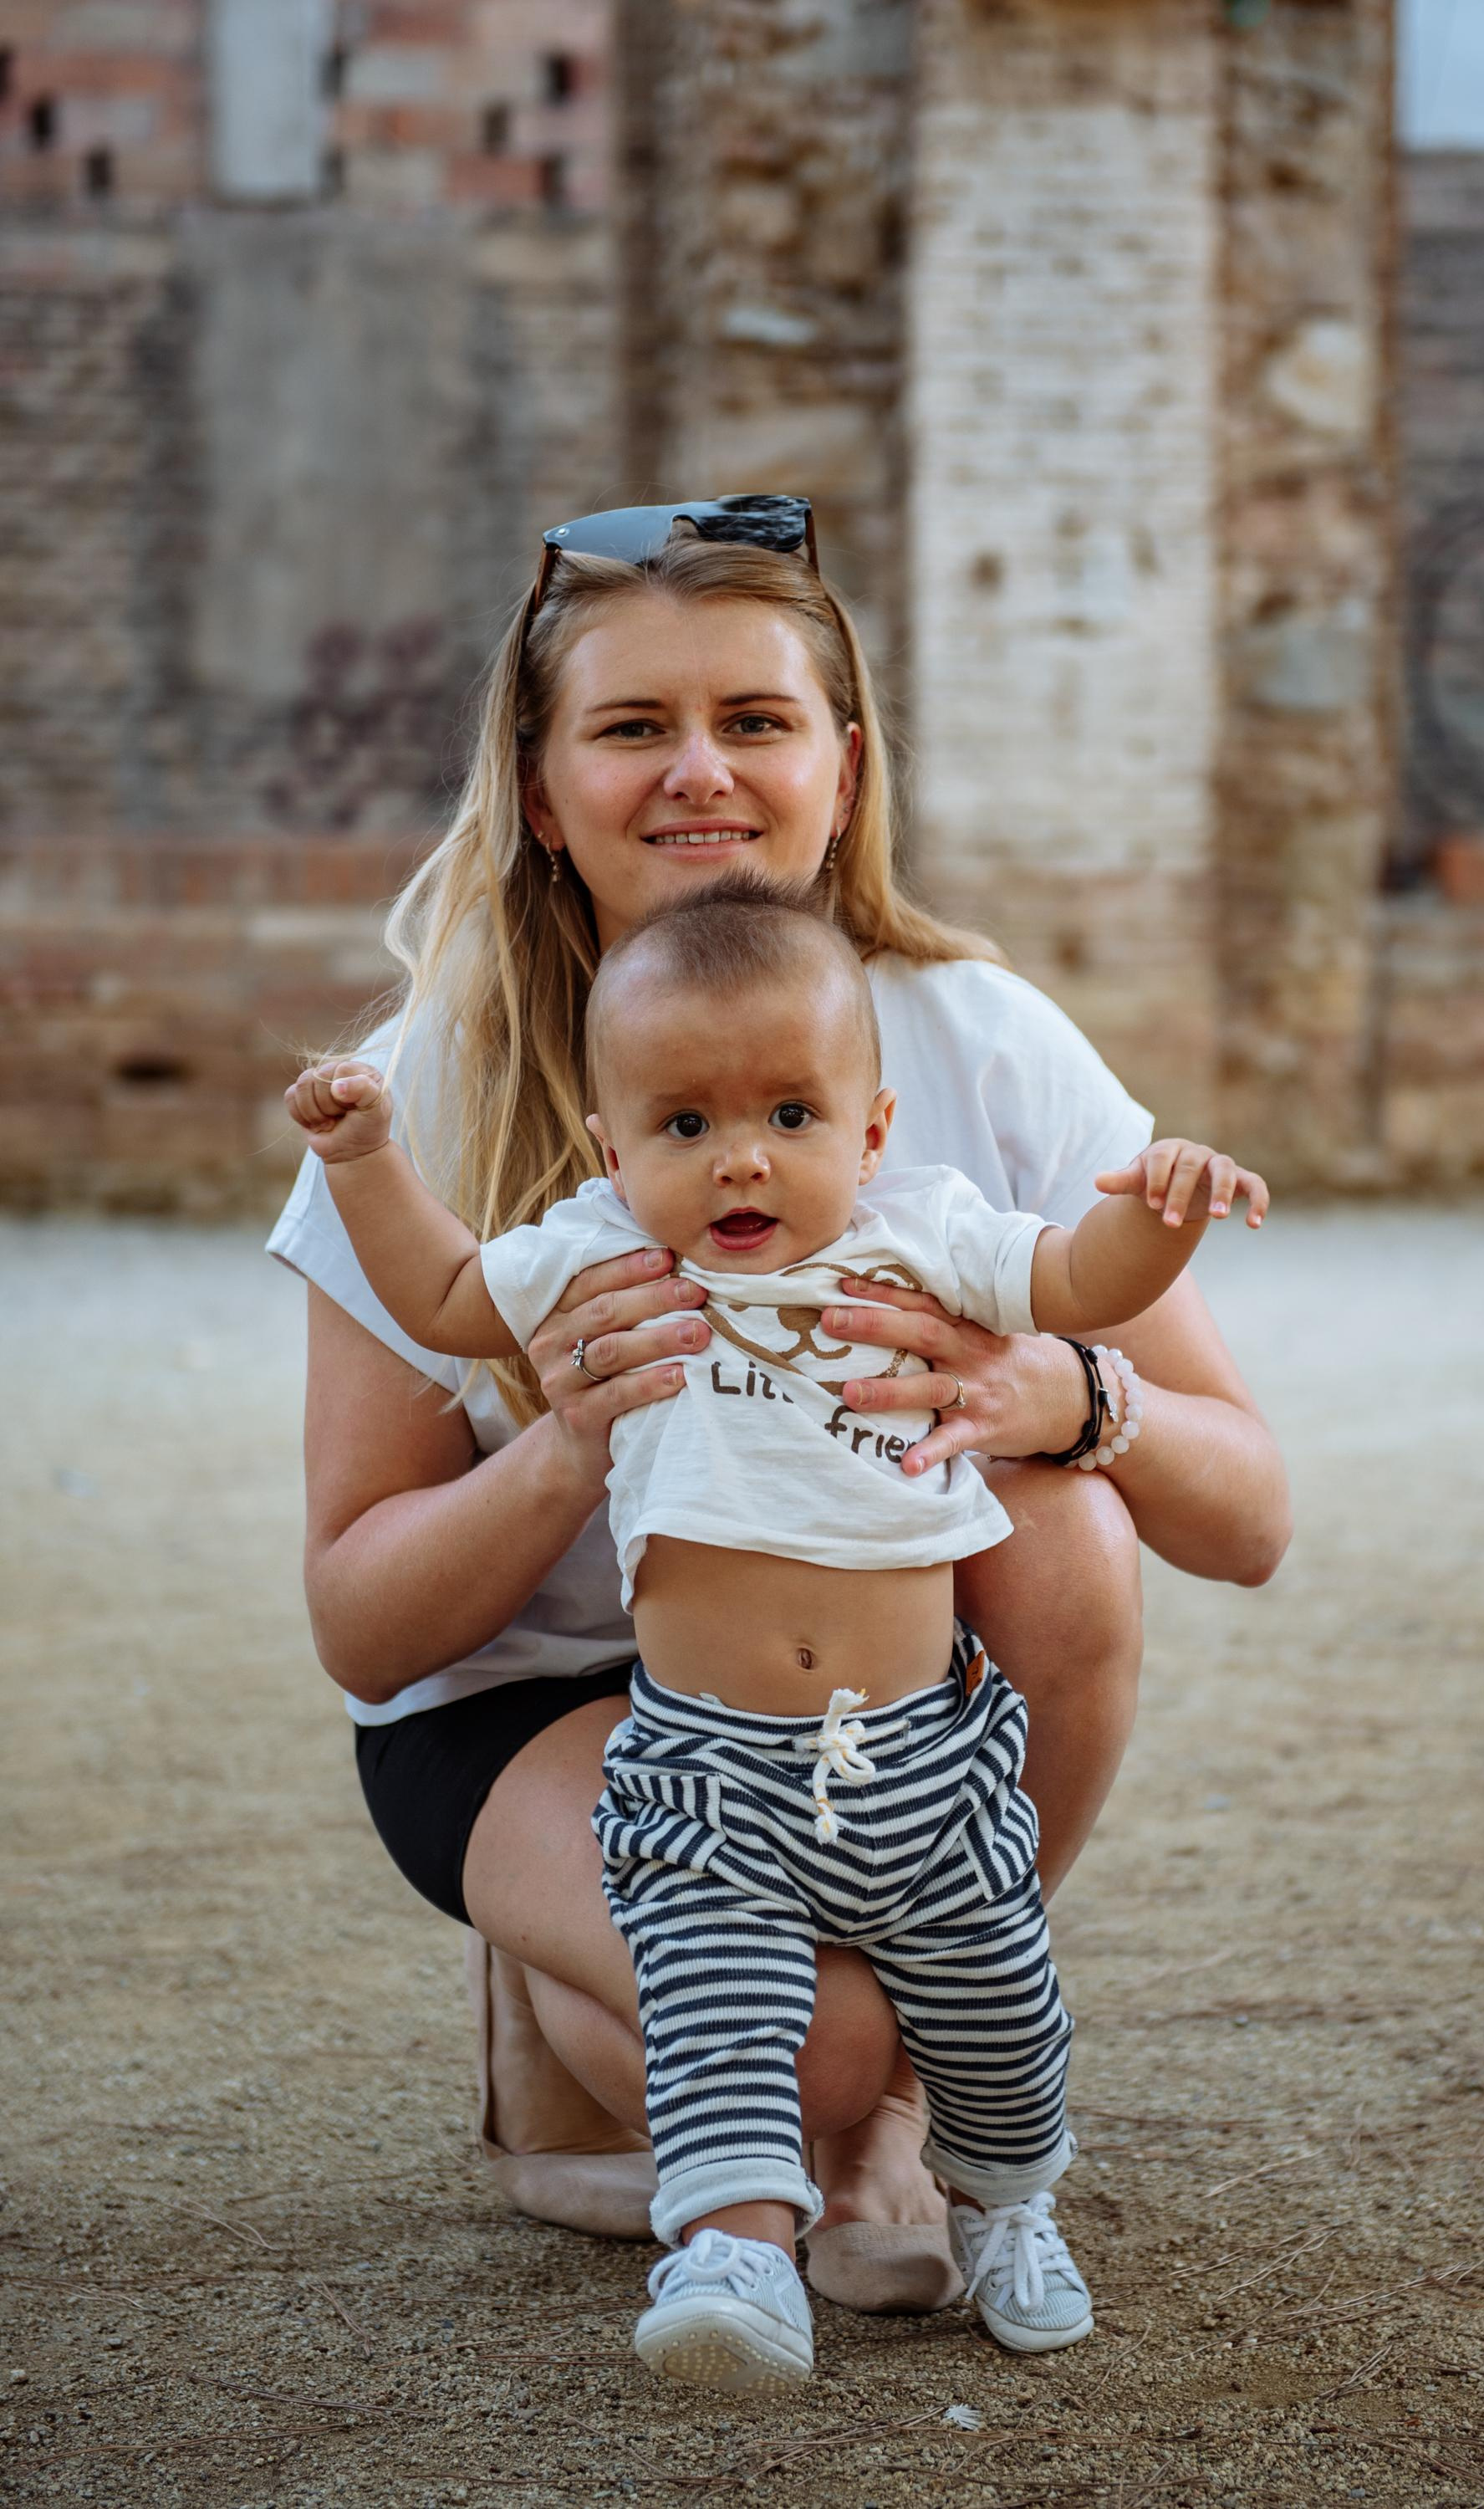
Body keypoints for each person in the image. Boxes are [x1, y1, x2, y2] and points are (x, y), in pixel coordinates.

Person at [267, 498, 1292, 2317]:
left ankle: (905, 2085)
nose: (700, 773)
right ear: (539, 788)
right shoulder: (426, 1090)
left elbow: (1249, 1518)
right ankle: (678, 2047)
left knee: (1066, 1527)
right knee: (803, 2058)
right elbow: (365, 1626)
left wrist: (1065, 1393)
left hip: (887, 1712)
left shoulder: (973, 1038)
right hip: (548, 1703)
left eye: (755, 719)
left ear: (844, 765)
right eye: (632, 727)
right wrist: (570, 1443)